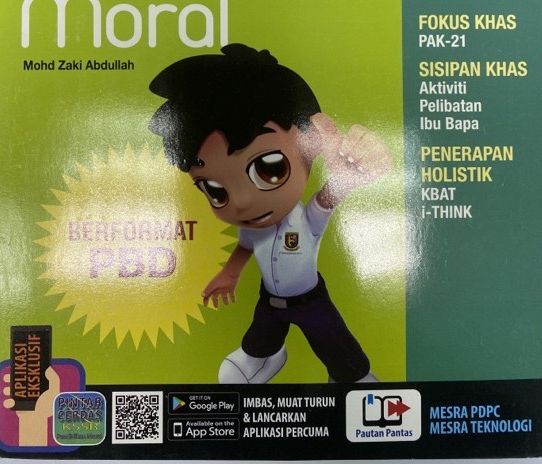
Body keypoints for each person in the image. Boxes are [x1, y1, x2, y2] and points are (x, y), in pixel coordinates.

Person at [149, 43, 392, 383]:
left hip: (310, 303)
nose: (241, 203)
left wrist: (347, 177)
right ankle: (264, 357)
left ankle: (349, 377)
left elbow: (326, 199)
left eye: (269, 167)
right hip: (270, 302)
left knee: (337, 347)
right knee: (260, 338)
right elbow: (246, 245)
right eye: (214, 189)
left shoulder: (304, 220)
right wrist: (230, 274)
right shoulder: (253, 226)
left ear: (311, 142)